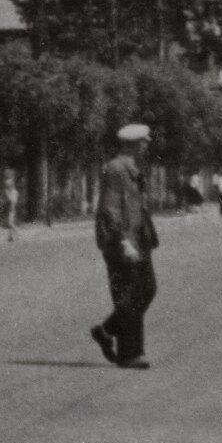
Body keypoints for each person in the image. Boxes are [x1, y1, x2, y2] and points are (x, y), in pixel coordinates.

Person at [89, 123, 161, 370]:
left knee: (147, 289)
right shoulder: (116, 169)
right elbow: (110, 208)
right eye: (143, 141)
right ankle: (130, 353)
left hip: (139, 240)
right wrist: (122, 241)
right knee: (129, 295)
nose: (146, 144)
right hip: (122, 242)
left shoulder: (131, 168)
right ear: (133, 143)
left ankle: (107, 330)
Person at [0, 169, 19, 241]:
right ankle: (10, 236)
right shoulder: (10, 192)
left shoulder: (13, 192)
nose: (6, 187)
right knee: (8, 223)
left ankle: (17, 232)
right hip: (8, 208)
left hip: (11, 208)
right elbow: (7, 200)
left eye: (8, 186)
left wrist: (11, 207)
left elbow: (12, 201)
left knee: (10, 223)